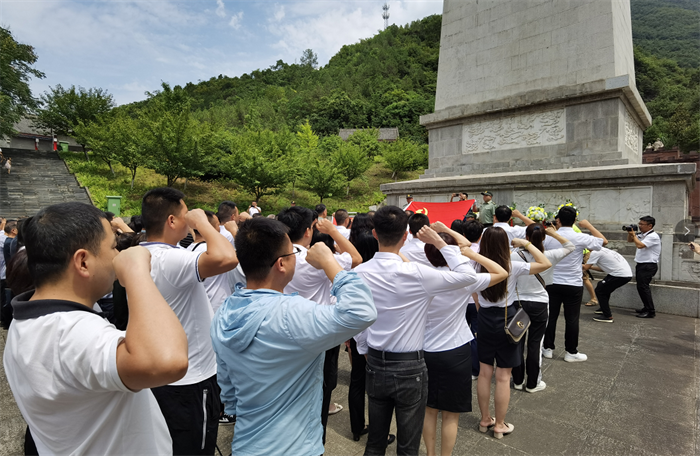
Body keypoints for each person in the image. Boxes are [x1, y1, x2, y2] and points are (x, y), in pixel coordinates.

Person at [4, 202, 188, 455]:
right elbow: (167, 361)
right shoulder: (71, 332)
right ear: (83, 262)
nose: (117, 256)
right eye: (113, 247)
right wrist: (137, 273)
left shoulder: (27, 318)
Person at [211, 217, 376, 456]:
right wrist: (329, 261)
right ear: (281, 264)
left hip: (247, 445)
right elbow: (361, 311)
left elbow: (229, 394)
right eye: (292, 255)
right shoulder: (291, 314)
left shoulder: (224, 313)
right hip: (295, 447)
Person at [354, 205, 482, 456]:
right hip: (409, 365)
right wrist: (440, 242)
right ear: (405, 236)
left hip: (376, 361)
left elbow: (355, 317)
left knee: (375, 442)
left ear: (374, 233)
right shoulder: (417, 273)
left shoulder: (359, 273)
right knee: (408, 445)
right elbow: (468, 276)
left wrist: (363, 347)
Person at [140, 187, 239, 456]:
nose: (188, 219)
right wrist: (204, 224)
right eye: (185, 215)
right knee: (196, 447)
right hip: (191, 378)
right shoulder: (171, 258)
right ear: (171, 221)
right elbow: (227, 257)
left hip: (162, 372)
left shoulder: (141, 254)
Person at [277, 206, 363, 443]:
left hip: (284, 330)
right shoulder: (314, 260)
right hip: (319, 333)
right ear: (308, 231)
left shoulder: (274, 256)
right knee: (321, 390)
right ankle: (316, 439)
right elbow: (355, 259)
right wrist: (334, 232)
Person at [422, 223, 508, 456]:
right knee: (450, 414)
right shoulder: (463, 279)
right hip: (455, 350)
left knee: (429, 410)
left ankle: (429, 454)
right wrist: (470, 254)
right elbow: (501, 272)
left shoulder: (419, 275)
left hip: (424, 349)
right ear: (452, 254)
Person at [475, 227, 551, 439]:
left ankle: (484, 419)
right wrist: (527, 244)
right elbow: (545, 263)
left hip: (485, 319)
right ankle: (500, 425)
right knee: (503, 376)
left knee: (484, 372)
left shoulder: (475, 264)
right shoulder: (512, 265)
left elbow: (474, 291)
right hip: (507, 320)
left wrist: (480, 308)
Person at [511, 224, 574, 392]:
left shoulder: (514, 256)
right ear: (544, 238)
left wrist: (523, 244)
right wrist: (554, 233)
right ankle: (533, 383)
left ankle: (517, 381)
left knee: (517, 341)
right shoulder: (551, 255)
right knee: (535, 344)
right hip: (539, 302)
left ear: (526, 237)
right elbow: (570, 246)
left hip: (518, 302)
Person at [542, 207, 606, 362]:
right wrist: (589, 226)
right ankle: (571, 352)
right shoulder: (580, 237)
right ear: (575, 221)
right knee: (572, 319)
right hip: (573, 283)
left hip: (552, 281)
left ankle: (547, 348)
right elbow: (603, 241)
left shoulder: (549, 237)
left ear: (558, 220)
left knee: (551, 317)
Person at [186, 210, 235, 313]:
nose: (219, 229)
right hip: (217, 307)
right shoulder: (215, 252)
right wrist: (234, 231)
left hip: (199, 307)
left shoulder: (187, 249)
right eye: (217, 225)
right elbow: (233, 258)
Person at [585, 247, 634, 323]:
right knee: (603, 288)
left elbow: (585, 267)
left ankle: (607, 316)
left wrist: (577, 265)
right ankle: (603, 309)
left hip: (619, 275)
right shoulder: (604, 250)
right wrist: (591, 267)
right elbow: (602, 269)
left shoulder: (595, 252)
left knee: (600, 290)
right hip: (623, 274)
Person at [628, 216, 661, 318]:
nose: (640, 226)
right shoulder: (642, 234)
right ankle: (646, 308)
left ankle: (651, 311)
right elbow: (630, 241)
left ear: (650, 226)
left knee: (643, 287)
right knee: (641, 287)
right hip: (641, 264)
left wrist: (634, 236)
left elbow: (640, 245)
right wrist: (630, 234)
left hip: (648, 265)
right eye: (639, 223)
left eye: (642, 224)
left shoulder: (653, 236)